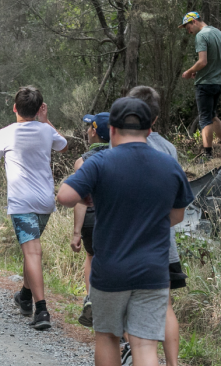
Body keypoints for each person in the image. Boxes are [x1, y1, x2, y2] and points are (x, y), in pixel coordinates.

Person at [57, 97, 194, 366]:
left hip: (110, 269)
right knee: (144, 345)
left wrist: (87, 196)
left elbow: (64, 196)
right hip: (153, 270)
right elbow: (177, 215)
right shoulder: (169, 164)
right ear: (149, 129)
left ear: (113, 130)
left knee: (107, 336)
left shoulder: (99, 162)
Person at [0, 86, 67, 330]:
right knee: (30, 250)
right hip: (45, 203)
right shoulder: (46, 131)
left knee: (32, 252)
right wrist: (46, 121)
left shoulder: (6, 133)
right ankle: (24, 295)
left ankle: (41, 309)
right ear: (39, 109)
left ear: (15, 108)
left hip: (22, 203)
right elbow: (62, 145)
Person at [121, 85, 188, 366]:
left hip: (133, 242)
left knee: (128, 304)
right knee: (166, 305)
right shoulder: (169, 148)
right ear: (157, 119)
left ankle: (133, 354)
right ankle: (172, 363)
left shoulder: (126, 144)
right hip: (165, 242)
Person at [70, 112, 110, 328]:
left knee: (91, 256)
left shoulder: (83, 162)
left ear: (94, 132)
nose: (86, 131)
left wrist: (76, 232)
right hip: (113, 217)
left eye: (88, 127)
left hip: (91, 219)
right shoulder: (120, 156)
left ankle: (92, 298)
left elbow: (79, 199)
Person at [180, 11, 221, 160]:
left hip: (205, 84)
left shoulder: (201, 35)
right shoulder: (217, 32)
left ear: (194, 22)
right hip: (218, 82)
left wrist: (189, 71)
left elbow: (202, 61)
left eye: (188, 27)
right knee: (213, 115)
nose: (188, 31)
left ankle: (207, 155)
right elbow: (213, 61)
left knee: (205, 119)